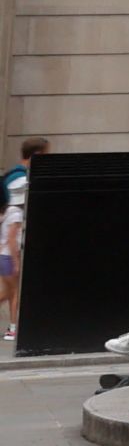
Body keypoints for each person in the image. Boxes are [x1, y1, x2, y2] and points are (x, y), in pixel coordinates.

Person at [0, 137, 33, 347]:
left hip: (1, 256)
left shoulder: (4, 213)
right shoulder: (15, 213)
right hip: (8, 257)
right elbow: (12, 239)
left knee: (7, 293)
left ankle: (13, 328)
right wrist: (17, 260)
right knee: (13, 295)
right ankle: (13, 329)